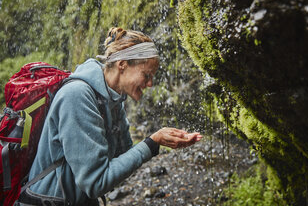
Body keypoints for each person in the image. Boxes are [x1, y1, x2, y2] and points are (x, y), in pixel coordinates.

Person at [15, 27, 202, 205]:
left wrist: (160, 140)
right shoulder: (77, 96)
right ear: (122, 65)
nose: (150, 84)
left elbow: (123, 158)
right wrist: (152, 142)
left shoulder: (113, 99)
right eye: (146, 75)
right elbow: (96, 183)